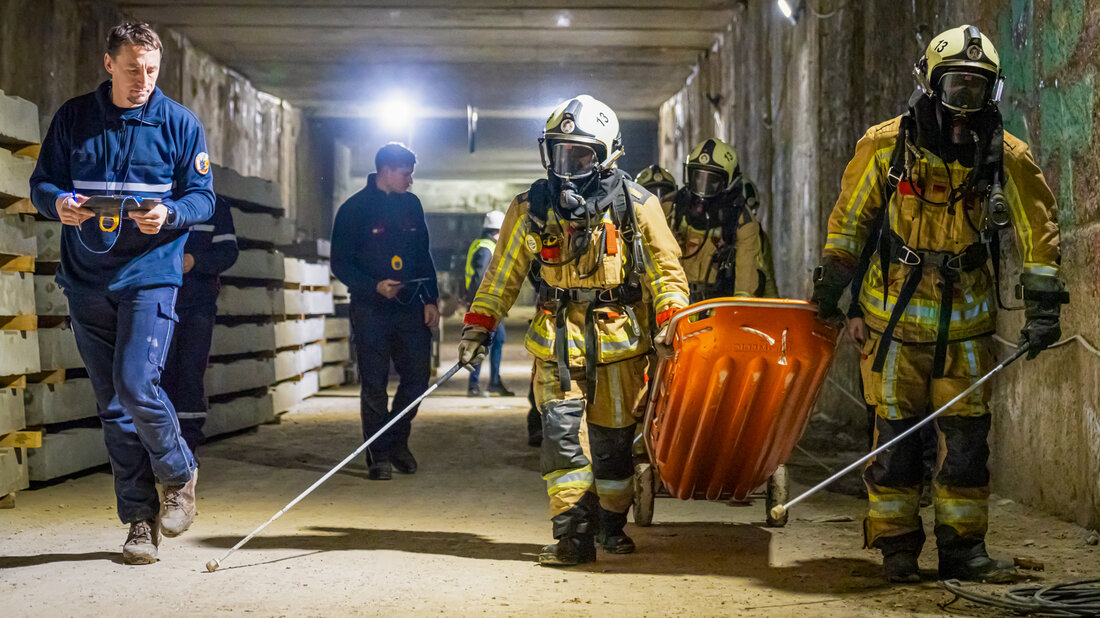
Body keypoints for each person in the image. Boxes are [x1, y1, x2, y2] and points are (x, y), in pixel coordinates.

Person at [811, 25, 1066, 584]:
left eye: (977, 88)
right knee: (896, 444)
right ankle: (897, 549)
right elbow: (850, 222)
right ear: (931, 83)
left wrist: (1043, 304)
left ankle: (963, 550)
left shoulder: (1006, 157)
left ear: (992, 92)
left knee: (967, 446)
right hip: (892, 323)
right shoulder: (885, 146)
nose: (965, 101)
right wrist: (832, 290)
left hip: (967, 328)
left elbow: (1038, 231)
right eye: (955, 86)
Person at [458, 95, 688, 567]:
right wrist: (478, 326)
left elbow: (666, 273)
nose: (567, 165)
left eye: (580, 154)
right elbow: (501, 274)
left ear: (606, 156)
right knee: (561, 439)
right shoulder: (531, 209)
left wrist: (670, 324)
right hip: (557, 342)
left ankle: (610, 524)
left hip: (620, 345)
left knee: (612, 448)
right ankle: (572, 536)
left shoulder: (636, 206)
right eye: (560, 152)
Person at [29, 21, 213, 564]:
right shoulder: (74, 119)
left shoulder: (178, 124)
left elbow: (203, 197)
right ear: (109, 64)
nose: (143, 80)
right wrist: (55, 202)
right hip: (87, 276)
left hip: (150, 273)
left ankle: (179, 474)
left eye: (152, 70)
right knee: (113, 406)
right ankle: (138, 521)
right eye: (133, 69)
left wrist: (172, 212)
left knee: (136, 384)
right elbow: (41, 182)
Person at [331, 142, 439, 481]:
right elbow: (340, 263)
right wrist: (373, 286)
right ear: (387, 171)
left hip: (409, 308)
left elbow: (424, 254)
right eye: (406, 174)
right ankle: (378, 455)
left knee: (418, 379)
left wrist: (431, 299)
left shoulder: (412, 206)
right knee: (374, 384)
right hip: (370, 309)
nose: (410, 180)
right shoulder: (354, 210)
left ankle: (396, 440)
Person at [161, 196, 238, 460]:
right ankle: (164, 446)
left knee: (191, 375)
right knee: (162, 375)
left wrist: (195, 261)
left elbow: (228, 252)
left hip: (198, 307)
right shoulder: (158, 199)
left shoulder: (216, 206)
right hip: (159, 304)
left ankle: (187, 446)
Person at [662, 138, 764, 301]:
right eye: (698, 177)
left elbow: (745, 288)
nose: (703, 186)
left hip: (717, 306)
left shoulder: (741, 221)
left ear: (728, 183)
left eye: (712, 181)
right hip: (674, 301)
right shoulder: (670, 207)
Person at [462, 210, 513, 397]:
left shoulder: (480, 244)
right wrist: (476, 304)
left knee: (496, 340)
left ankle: (493, 382)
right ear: (498, 230)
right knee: (482, 341)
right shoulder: (487, 248)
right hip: (486, 306)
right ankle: (474, 385)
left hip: (491, 304)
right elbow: (479, 276)